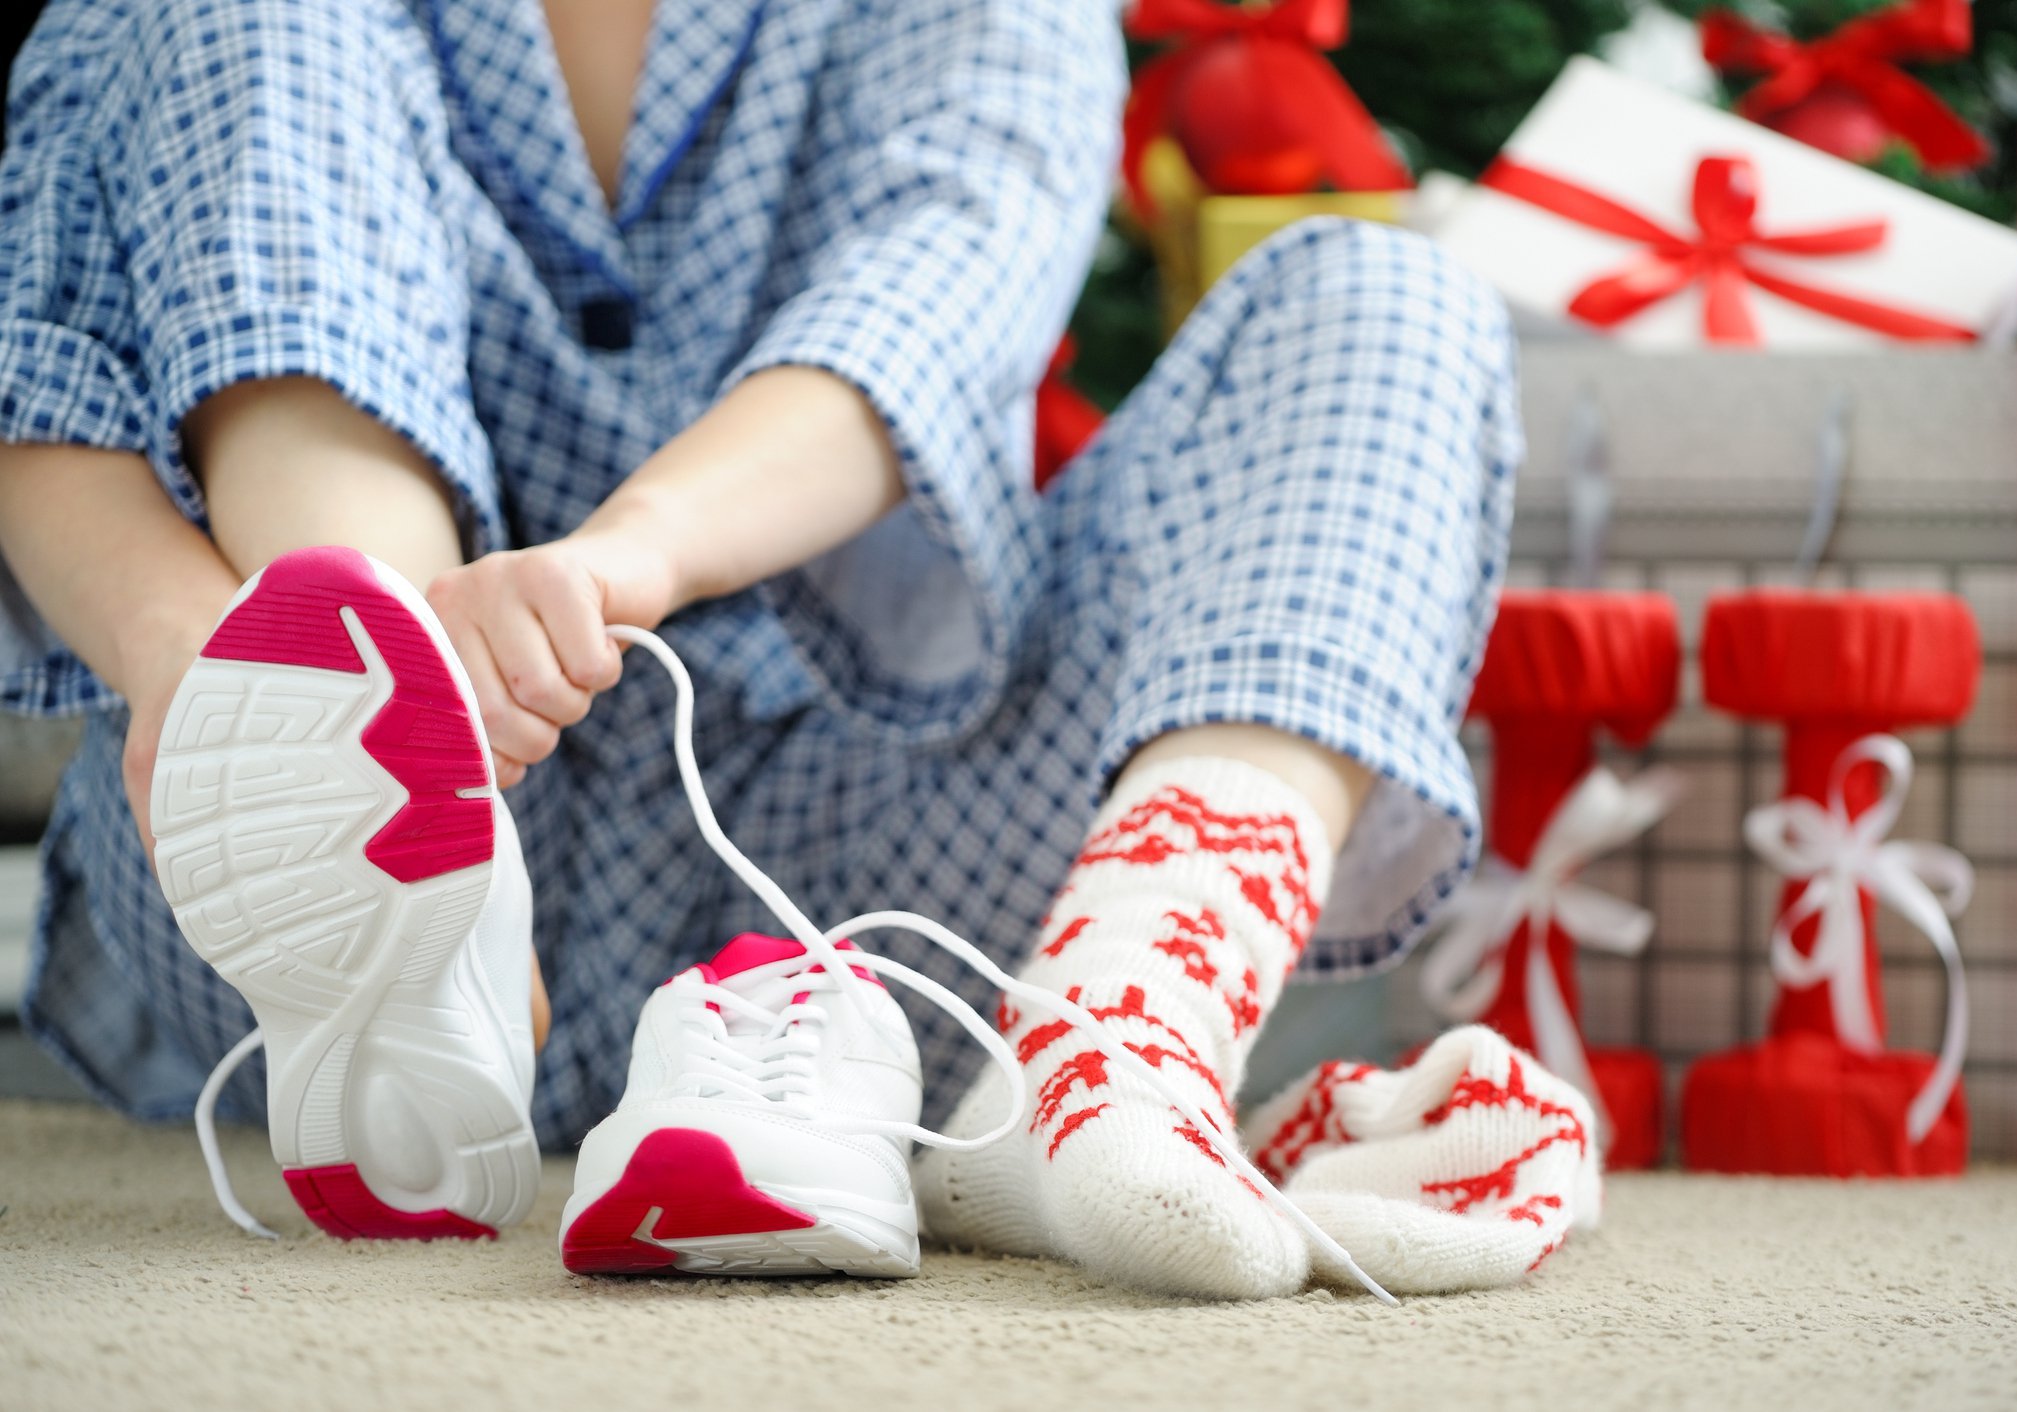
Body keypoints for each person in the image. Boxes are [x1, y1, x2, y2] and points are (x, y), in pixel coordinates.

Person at [0, 0, 1534, 1298]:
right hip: (265, 899)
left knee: (1387, 297)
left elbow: (943, 296)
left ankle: (1108, 1052)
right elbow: (39, 357)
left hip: (877, 844)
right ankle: (364, 725)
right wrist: (194, 660)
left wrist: (628, 556)